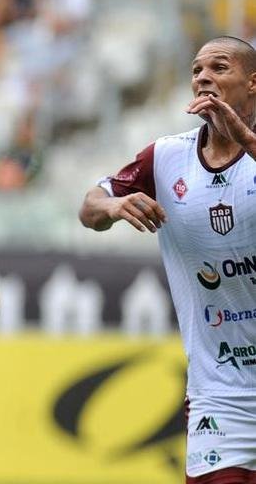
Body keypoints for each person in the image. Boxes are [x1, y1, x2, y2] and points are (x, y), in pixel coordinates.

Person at [79, 36, 256, 484]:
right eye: (197, 69)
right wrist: (113, 207)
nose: (203, 77)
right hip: (220, 395)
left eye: (219, 67)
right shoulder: (167, 157)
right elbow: (89, 207)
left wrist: (246, 138)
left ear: (253, 83)